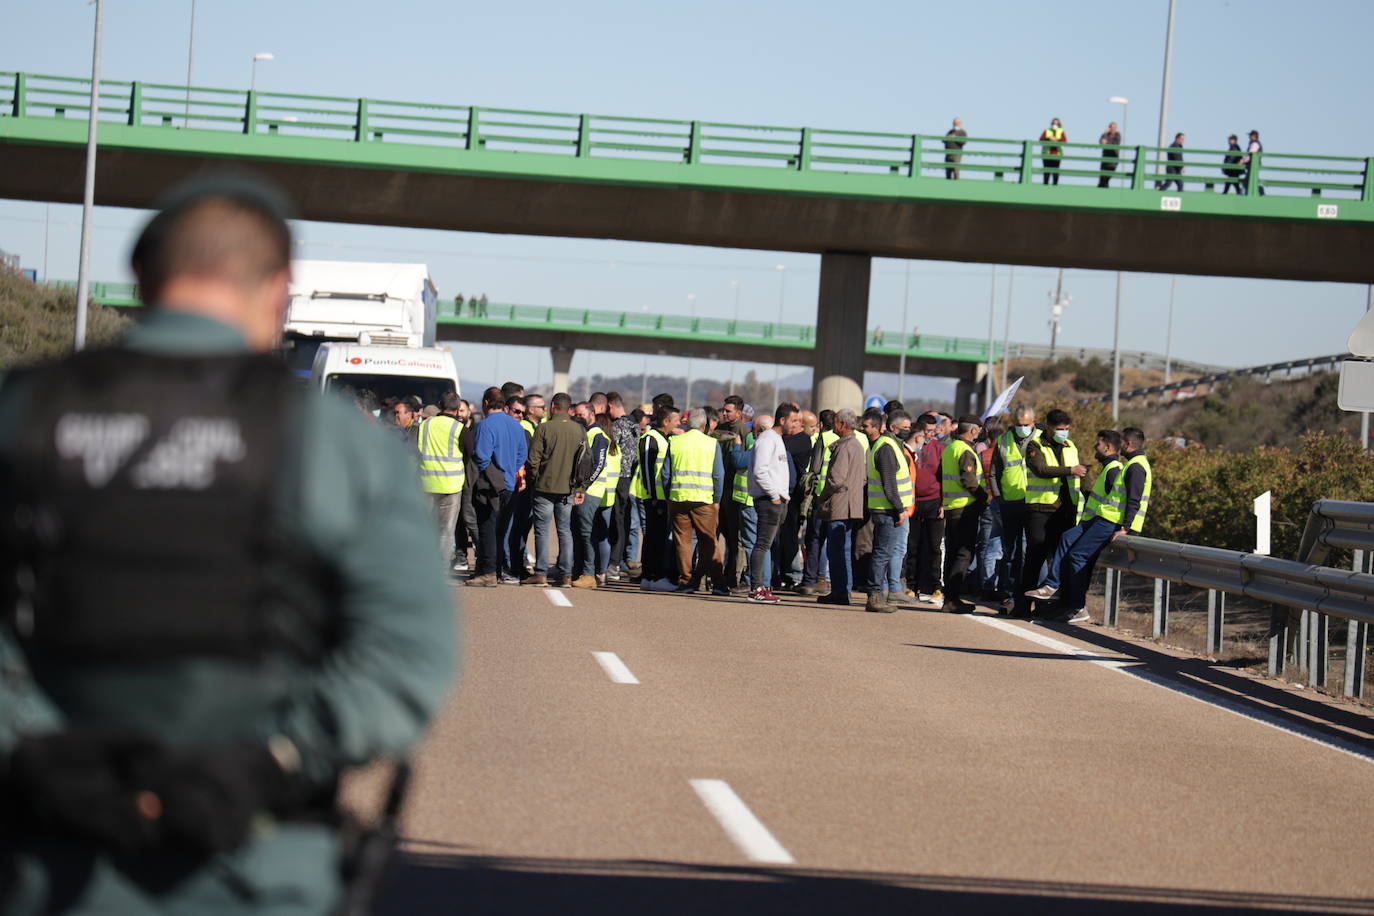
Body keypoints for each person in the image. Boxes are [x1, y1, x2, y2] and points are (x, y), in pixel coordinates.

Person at [0, 174, 457, 913]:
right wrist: (275, 757)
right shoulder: (334, 441)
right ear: (279, 291)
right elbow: (408, 656)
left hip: (46, 861)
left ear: (142, 277)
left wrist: (36, 750)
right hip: (260, 862)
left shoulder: (24, 412)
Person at [1026, 428, 1151, 622]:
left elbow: (1134, 500)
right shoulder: (1129, 465)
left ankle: (1078, 607)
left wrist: (1125, 527)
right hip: (1101, 518)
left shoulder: (1135, 467)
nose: (1119, 447)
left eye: (1121, 442)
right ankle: (1052, 586)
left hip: (1111, 520)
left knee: (1077, 556)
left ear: (1128, 444)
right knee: (1067, 538)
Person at [1018, 408, 1087, 617]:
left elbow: (1078, 475)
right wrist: (1071, 470)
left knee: (1061, 559)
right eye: (1060, 429)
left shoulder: (1070, 445)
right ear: (1048, 427)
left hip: (1066, 509)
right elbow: (1040, 469)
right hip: (1040, 508)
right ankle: (1022, 605)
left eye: (1066, 429)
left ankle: (1056, 606)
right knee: (1035, 556)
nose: (1063, 433)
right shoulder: (1035, 445)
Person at [664, 408, 728, 594]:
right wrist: (717, 498)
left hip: (678, 497)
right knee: (709, 541)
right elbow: (719, 475)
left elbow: (666, 474)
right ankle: (718, 583)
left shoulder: (674, 441)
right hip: (704, 499)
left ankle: (686, 581)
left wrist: (669, 495)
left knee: (682, 542)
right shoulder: (711, 443)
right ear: (704, 425)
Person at [524, 393, 585, 587]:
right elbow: (585, 460)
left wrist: (535, 479)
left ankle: (541, 573)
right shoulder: (579, 430)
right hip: (568, 487)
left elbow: (533, 459)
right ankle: (566, 574)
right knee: (565, 531)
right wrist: (580, 486)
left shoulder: (544, 428)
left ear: (553, 407)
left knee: (542, 530)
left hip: (544, 487)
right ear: (569, 408)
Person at [471, 390, 527, 586]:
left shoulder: (485, 425)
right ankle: (491, 569)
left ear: (486, 402)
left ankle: (487, 572)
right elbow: (522, 455)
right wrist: (509, 470)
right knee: (500, 530)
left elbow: (482, 457)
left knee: (486, 528)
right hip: (510, 485)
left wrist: (494, 476)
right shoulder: (516, 426)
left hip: (491, 485)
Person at [864, 410, 914, 612]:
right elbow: (889, 484)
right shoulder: (887, 447)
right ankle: (875, 596)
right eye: (905, 427)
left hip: (885, 508)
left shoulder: (889, 445)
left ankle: (877, 594)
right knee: (882, 553)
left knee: (883, 552)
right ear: (892, 427)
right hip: (887, 510)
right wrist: (900, 509)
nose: (908, 430)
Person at [992, 404, 1039, 613]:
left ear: (1033, 423)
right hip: (1010, 504)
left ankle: (1031, 598)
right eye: (1019, 424)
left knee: (1032, 552)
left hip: (1034, 503)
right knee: (1011, 552)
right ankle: (1010, 596)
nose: (1022, 428)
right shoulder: (1003, 440)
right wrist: (999, 498)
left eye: (1026, 425)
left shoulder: (1042, 439)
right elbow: (994, 472)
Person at [817, 409, 865, 605]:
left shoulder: (844, 447)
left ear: (842, 424)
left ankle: (839, 592)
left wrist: (822, 497)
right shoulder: (856, 444)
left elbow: (835, 479)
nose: (833, 426)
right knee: (844, 549)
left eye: (836, 422)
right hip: (851, 503)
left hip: (840, 503)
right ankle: (844, 591)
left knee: (836, 550)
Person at [940, 414, 988, 612]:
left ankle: (949, 598)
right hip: (965, 508)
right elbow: (969, 480)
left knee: (952, 553)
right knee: (963, 554)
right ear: (973, 430)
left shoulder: (950, 448)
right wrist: (985, 497)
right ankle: (952, 599)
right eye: (979, 430)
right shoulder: (965, 450)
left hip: (952, 506)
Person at [417, 392, 467, 575]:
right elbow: (470, 454)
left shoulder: (425, 425)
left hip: (426, 483)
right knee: (446, 531)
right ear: (458, 408)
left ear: (440, 404)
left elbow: (414, 450)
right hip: (451, 486)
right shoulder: (460, 428)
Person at [633, 404, 679, 591]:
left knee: (659, 537)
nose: (678, 424)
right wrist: (652, 494)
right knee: (654, 537)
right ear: (666, 421)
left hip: (663, 497)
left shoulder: (667, 438)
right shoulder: (649, 438)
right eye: (675, 420)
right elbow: (646, 468)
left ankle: (653, 575)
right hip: (654, 498)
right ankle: (652, 575)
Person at [572, 413, 618, 589]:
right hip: (606, 494)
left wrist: (584, 485)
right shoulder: (612, 444)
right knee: (598, 536)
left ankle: (590, 572)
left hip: (593, 491)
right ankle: (599, 572)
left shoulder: (597, 437)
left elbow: (597, 465)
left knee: (587, 534)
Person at [746, 413, 788, 604]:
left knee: (765, 544)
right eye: (794, 420)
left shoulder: (775, 439)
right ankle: (756, 588)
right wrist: (774, 495)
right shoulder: (767, 439)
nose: (797, 425)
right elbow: (760, 471)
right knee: (762, 544)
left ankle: (761, 586)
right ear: (783, 420)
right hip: (767, 499)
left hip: (775, 498)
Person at [907, 413, 945, 604]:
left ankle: (936, 587)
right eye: (927, 431)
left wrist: (943, 504)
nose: (931, 434)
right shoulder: (910, 448)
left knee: (934, 546)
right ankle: (911, 586)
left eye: (933, 430)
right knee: (912, 546)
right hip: (914, 502)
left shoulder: (939, 448)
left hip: (934, 501)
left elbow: (945, 477)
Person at [608, 393, 640, 580]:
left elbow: (612, 451)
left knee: (616, 521)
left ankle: (613, 562)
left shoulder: (618, 426)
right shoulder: (634, 425)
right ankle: (619, 560)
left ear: (610, 406)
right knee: (624, 520)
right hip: (630, 479)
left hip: (617, 478)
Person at [1040, 118, 1066, 185]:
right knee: (1046, 173)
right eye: (1053, 123)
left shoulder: (1061, 131)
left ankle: (1055, 186)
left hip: (1057, 155)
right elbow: (1041, 139)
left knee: (1055, 172)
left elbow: (1064, 141)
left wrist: (1057, 140)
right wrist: (1049, 138)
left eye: (1056, 124)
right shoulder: (1047, 131)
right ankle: (1045, 186)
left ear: (1059, 125)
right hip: (1047, 155)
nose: (1055, 125)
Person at [1097, 121, 1121, 188]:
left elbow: (1115, 144)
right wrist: (1105, 133)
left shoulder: (1117, 135)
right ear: (1109, 128)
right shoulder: (1105, 134)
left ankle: (1105, 185)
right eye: (1112, 127)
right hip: (1105, 158)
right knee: (1102, 176)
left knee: (1108, 175)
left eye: (1115, 128)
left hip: (1113, 158)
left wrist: (1106, 142)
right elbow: (1101, 142)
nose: (1113, 129)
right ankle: (1102, 187)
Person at [1241, 129, 1264, 195]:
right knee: (1251, 181)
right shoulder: (1255, 143)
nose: (1249, 137)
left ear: (1253, 136)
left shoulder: (1255, 144)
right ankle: (1261, 193)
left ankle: (1243, 194)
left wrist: (1242, 161)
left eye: (1250, 135)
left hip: (1253, 166)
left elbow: (1250, 155)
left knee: (1249, 181)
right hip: (1253, 165)